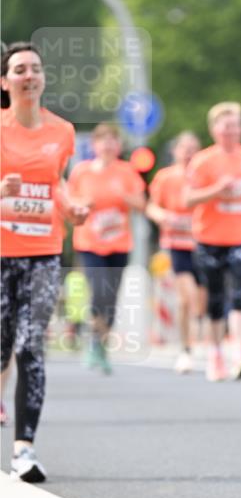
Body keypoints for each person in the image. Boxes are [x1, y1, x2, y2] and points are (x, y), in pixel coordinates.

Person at [1, 42, 88, 482]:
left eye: (35, 68)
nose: (29, 75)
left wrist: (72, 207)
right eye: (19, 69)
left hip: (44, 252)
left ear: (43, 78)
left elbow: (57, 182)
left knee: (30, 346)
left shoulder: (62, 131)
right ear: (5, 82)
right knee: (2, 346)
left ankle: (24, 450)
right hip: (1, 254)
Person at [185, 103, 241, 382]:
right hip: (210, 237)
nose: (232, 131)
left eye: (236, 125)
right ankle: (215, 354)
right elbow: (188, 198)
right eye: (227, 126)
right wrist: (216, 190)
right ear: (214, 130)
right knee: (215, 297)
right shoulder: (203, 161)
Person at [67, 123, 146, 373]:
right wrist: (84, 203)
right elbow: (69, 202)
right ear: (95, 145)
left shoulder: (127, 172)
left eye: (113, 140)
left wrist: (126, 197)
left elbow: (142, 204)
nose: (108, 145)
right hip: (89, 243)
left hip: (119, 243)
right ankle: (94, 342)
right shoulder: (81, 172)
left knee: (111, 297)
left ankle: (100, 345)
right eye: (103, 141)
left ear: (119, 146)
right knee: (99, 290)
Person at [147, 131, 205, 373]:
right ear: (175, 151)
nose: (189, 153)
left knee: (201, 301)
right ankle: (186, 350)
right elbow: (152, 206)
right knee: (186, 298)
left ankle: (200, 343)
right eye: (185, 148)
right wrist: (162, 216)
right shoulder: (165, 177)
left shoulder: (204, 175)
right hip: (177, 243)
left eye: (194, 148)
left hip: (204, 242)